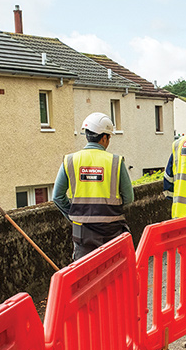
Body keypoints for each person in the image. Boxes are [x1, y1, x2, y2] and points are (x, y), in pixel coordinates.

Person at [53, 112, 134, 262]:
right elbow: (129, 197)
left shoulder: (70, 160)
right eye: (109, 137)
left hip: (82, 232)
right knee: (113, 273)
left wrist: (74, 214)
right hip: (112, 230)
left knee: (86, 276)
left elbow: (57, 197)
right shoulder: (115, 161)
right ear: (104, 137)